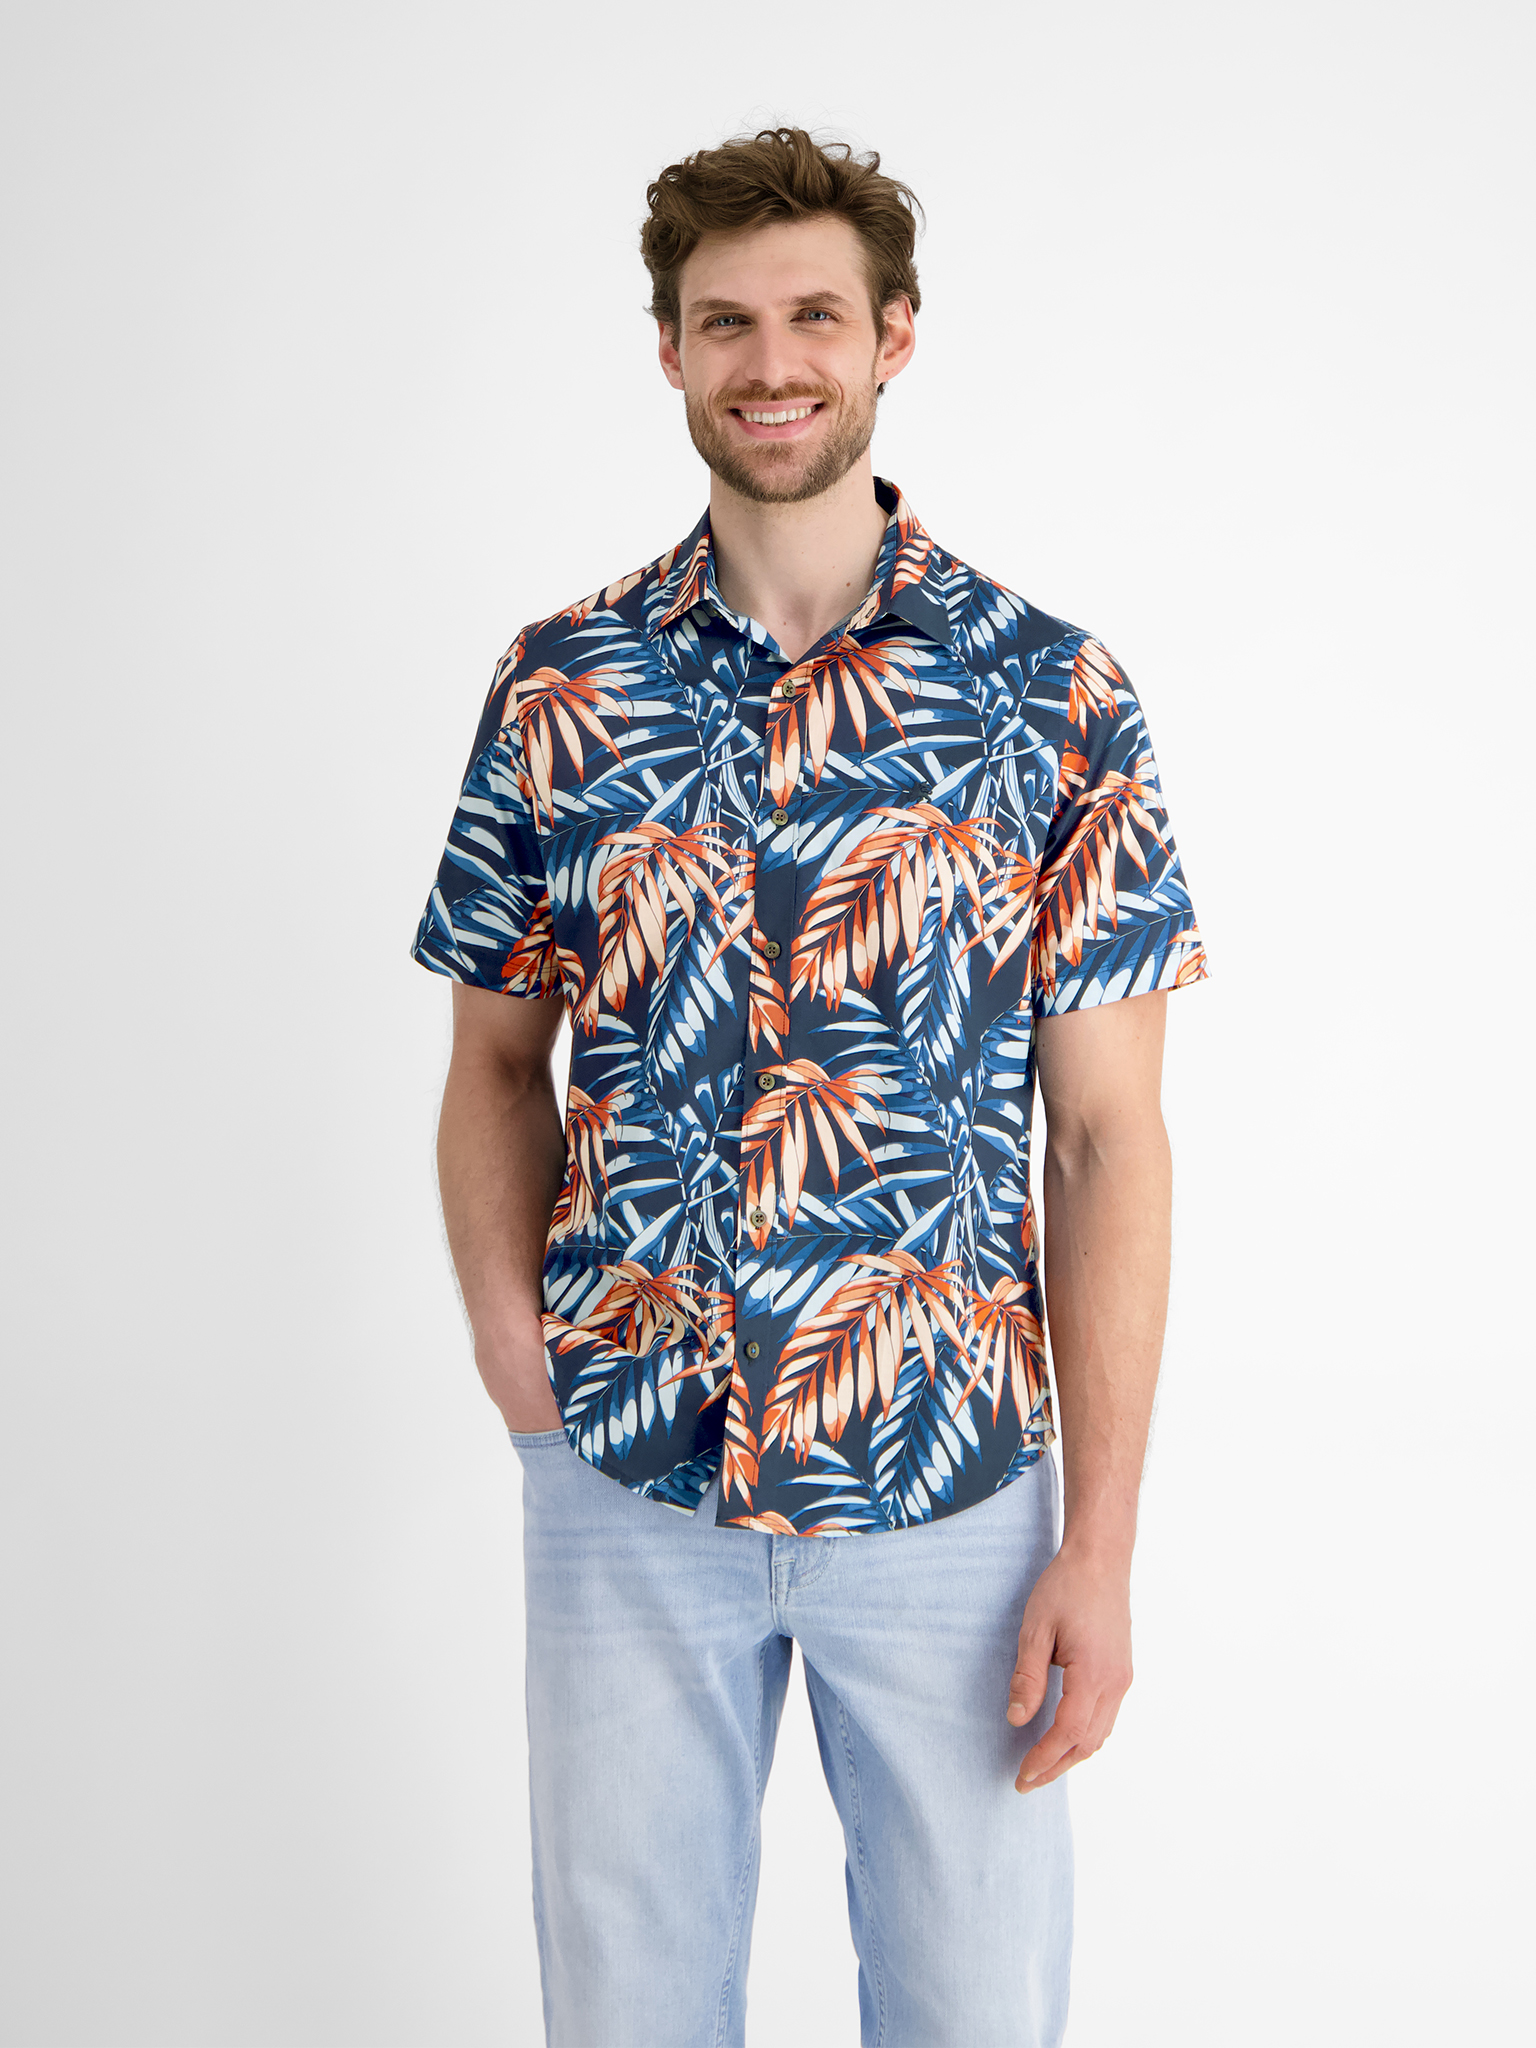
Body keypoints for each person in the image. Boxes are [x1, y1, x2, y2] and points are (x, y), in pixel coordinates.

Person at [411, 126, 1208, 2048]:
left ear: (893, 336)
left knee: (975, 2014)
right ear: (669, 351)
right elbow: (496, 1060)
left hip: (951, 1480)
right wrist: (519, 1358)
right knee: (625, 2011)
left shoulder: (1052, 694)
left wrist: (1099, 1544)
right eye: (725, 323)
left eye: (815, 317)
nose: (772, 363)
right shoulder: (560, 687)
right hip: (626, 1467)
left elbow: (1109, 1139)